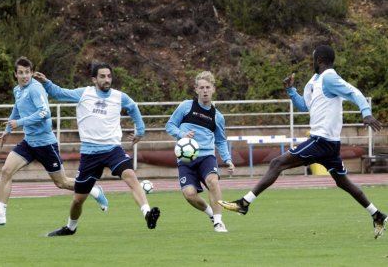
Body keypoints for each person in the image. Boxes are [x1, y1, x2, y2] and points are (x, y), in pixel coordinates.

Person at [218, 45, 387, 239]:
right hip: (329, 144)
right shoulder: (314, 81)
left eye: (313, 58)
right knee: (343, 183)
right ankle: (377, 215)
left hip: (321, 141)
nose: (311, 62)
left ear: (320, 60)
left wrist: (366, 113)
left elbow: (355, 93)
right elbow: (305, 106)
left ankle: (244, 203)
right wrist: (291, 90)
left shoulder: (330, 77)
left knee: (277, 163)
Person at [33, 63, 160, 236]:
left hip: (112, 149)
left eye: (109, 76)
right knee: (78, 200)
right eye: (102, 76)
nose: (107, 79)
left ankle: (147, 213)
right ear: (94, 79)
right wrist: (47, 82)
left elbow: (133, 108)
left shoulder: (119, 96)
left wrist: (141, 131)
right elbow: (59, 93)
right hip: (90, 154)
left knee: (130, 175)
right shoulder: (84, 93)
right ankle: (70, 227)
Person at [0, 57, 108, 226]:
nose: (24, 76)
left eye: (27, 72)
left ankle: (93, 189)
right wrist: (8, 130)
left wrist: (19, 123)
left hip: (45, 143)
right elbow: (17, 108)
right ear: (15, 74)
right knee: (6, 171)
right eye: (21, 73)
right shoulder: (17, 90)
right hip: (29, 142)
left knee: (61, 183)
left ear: (32, 73)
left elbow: (44, 113)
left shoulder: (36, 89)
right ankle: (0, 215)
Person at [165, 71, 235, 233]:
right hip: (185, 159)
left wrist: (227, 159)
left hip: (206, 156)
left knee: (213, 181)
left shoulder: (217, 116)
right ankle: (210, 213)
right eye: (201, 87)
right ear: (196, 89)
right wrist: (182, 135)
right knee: (189, 194)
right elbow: (170, 126)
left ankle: (218, 222)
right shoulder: (185, 107)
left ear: (213, 90)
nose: (205, 90)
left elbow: (220, 140)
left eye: (208, 87)